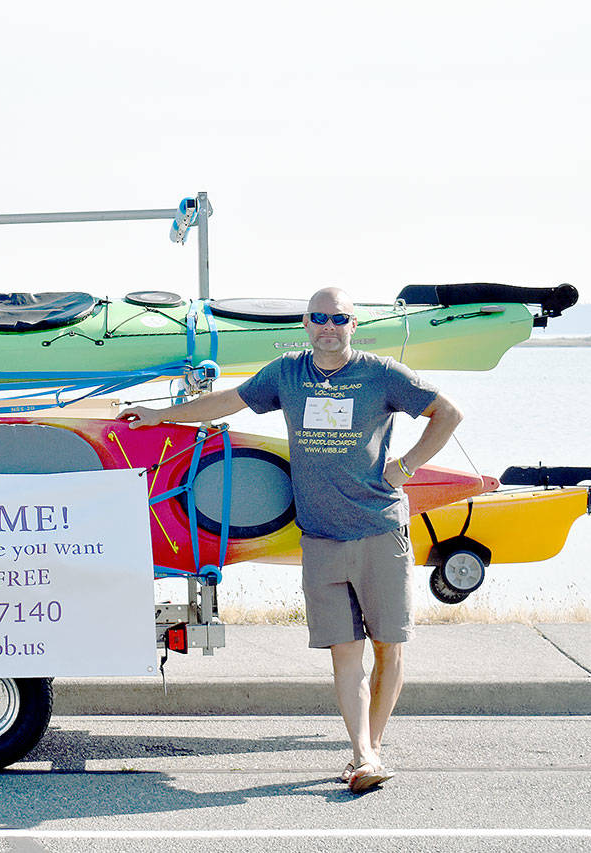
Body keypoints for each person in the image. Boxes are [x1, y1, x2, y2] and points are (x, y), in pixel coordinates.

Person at [119, 286, 462, 794]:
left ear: (353, 325)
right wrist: (160, 417)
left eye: (338, 318)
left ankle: (371, 749)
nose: (328, 326)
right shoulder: (288, 373)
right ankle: (363, 755)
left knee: (389, 648)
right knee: (344, 653)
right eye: (319, 317)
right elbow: (229, 401)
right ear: (306, 323)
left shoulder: (382, 373)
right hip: (321, 538)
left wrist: (407, 466)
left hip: (379, 529)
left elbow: (448, 414)